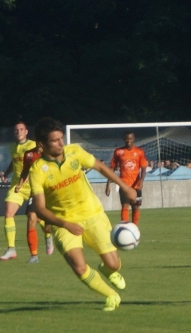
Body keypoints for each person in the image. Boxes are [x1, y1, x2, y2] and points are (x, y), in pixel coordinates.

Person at [29, 117, 138, 312]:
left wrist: (125, 187)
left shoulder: (75, 152)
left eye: (61, 138)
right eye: (55, 140)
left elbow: (101, 167)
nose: (61, 143)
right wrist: (65, 224)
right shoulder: (38, 171)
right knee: (79, 266)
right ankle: (111, 296)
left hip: (93, 214)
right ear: (42, 144)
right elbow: (40, 209)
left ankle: (108, 271)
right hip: (65, 223)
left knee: (113, 264)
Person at [0, 121, 53, 263]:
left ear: (26, 131)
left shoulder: (33, 146)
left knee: (37, 219)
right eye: (16, 130)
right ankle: (11, 248)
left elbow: (33, 166)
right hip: (17, 185)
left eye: (21, 129)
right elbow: (14, 162)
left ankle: (48, 235)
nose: (19, 132)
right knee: (8, 213)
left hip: (33, 187)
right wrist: (6, 173)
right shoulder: (12, 147)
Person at [106, 131, 149, 226]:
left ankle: (134, 228)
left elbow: (144, 167)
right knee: (125, 205)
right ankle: (125, 228)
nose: (128, 140)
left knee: (136, 206)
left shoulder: (139, 152)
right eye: (127, 138)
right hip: (123, 184)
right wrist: (108, 184)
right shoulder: (118, 152)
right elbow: (112, 168)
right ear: (124, 139)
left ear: (134, 139)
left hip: (136, 184)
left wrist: (141, 181)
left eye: (130, 138)